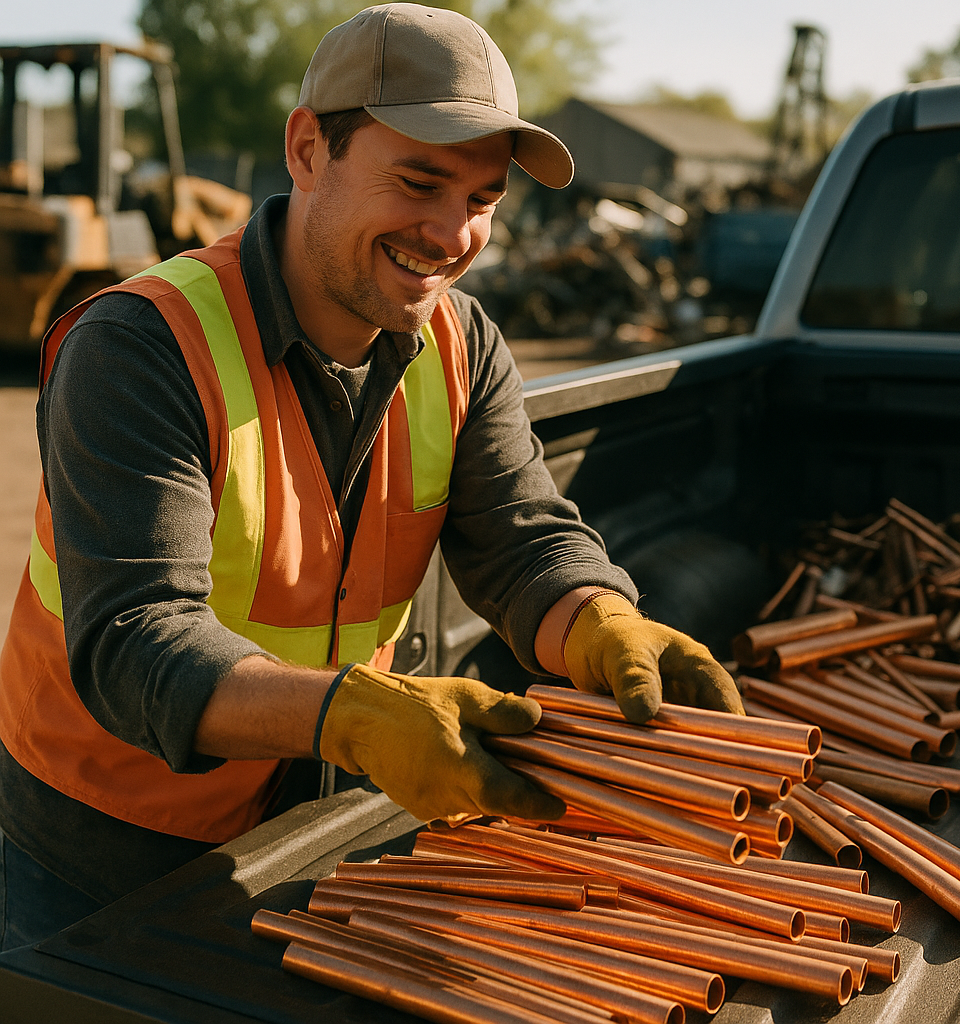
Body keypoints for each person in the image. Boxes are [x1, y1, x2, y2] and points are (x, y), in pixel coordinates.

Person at [0, 3, 742, 950]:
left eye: (481, 201)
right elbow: (135, 639)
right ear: (309, 149)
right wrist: (350, 717)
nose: (450, 235)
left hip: (314, 827)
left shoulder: (460, 341)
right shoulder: (141, 346)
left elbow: (522, 544)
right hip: (105, 851)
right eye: (419, 181)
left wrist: (602, 618)